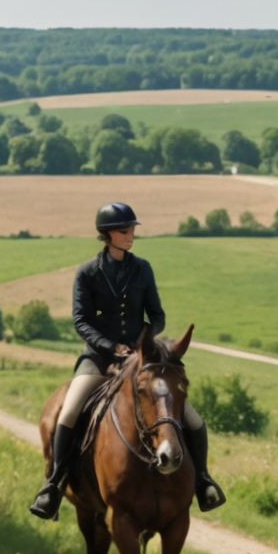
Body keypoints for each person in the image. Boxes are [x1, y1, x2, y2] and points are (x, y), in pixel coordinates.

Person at [29, 202, 225, 520]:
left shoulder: (142, 269)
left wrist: (141, 344)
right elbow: (81, 321)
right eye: (124, 231)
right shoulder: (87, 272)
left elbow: (157, 316)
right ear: (107, 235)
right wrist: (110, 346)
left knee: (192, 419)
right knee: (69, 411)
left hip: (139, 359)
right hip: (98, 358)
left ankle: (203, 481)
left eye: (132, 230)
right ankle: (53, 485)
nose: (130, 235)